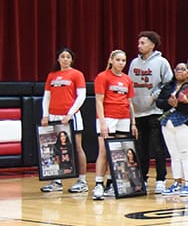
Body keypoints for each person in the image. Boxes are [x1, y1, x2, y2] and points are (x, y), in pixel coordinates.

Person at [40, 48, 89, 193]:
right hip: (53, 116)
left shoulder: (77, 74)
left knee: (77, 147)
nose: (65, 59)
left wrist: (70, 114)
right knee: (55, 149)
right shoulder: (52, 76)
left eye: (68, 57)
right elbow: (47, 97)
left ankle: (82, 181)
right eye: (63, 56)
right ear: (58, 59)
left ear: (72, 60)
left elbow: (81, 96)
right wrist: (45, 115)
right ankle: (56, 180)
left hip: (71, 117)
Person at [128, 31, 172, 193]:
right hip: (138, 112)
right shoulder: (134, 63)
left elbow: (169, 83)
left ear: (152, 45)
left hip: (155, 111)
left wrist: (155, 96)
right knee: (141, 149)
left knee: (158, 147)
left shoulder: (161, 62)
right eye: (139, 43)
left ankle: (161, 179)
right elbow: (129, 84)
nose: (139, 45)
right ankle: (143, 178)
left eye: (143, 43)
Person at [92, 50, 137, 200]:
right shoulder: (102, 77)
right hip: (108, 117)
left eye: (123, 60)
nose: (121, 63)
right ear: (111, 60)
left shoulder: (127, 79)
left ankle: (111, 183)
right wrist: (102, 122)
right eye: (118, 60)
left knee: (118, 153)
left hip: (123, 118)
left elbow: (130, 103)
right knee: (104, 151)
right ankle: (99, 184)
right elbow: (99, 101)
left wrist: (133, 123)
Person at [157, 62, 188, 196]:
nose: (179, 71)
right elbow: (159, 102)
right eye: (177, 69)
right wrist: (168, 102)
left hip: (186, 123)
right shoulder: (168, 86)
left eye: (183, 69)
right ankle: (177, 182)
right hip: (168, 123)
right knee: (174, 155)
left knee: (185, 153)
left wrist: (178, 105)